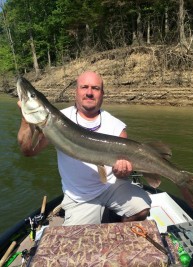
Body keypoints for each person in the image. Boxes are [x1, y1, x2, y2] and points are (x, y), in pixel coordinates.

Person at [17, 71, 151, 225]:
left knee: (142, 209)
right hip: (78, 196)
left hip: (111, 187)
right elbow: (28, 150)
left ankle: (117, 232)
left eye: (95, 88)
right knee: (77, 243)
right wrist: (25, 118)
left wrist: (122, 172)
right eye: (84, 87)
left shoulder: (116, 126)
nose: (89, 92)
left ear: (102, 93)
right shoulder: (56, 120)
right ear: (76, 91)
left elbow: (122, 173)